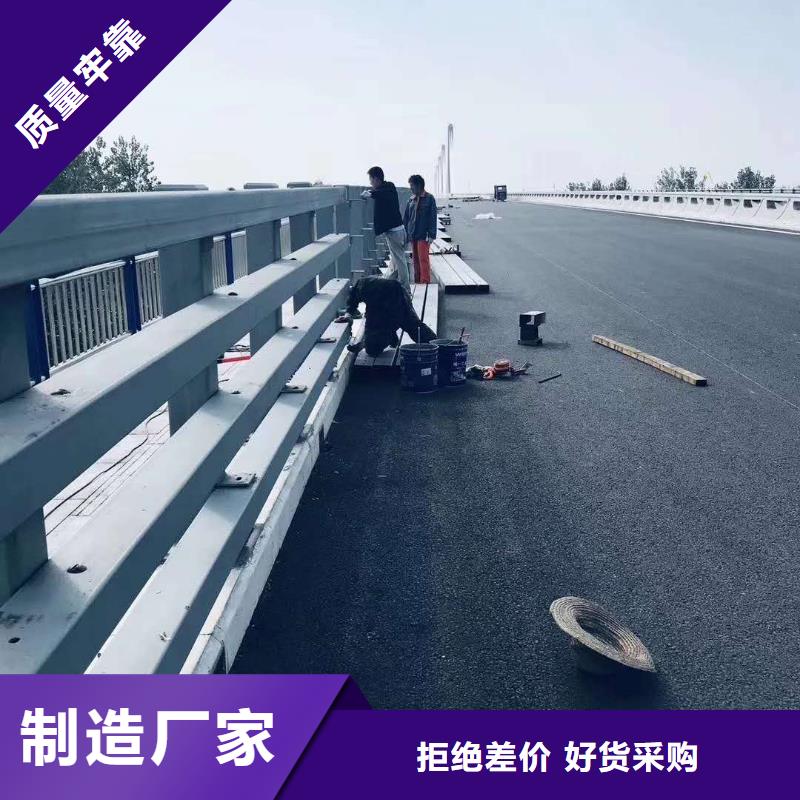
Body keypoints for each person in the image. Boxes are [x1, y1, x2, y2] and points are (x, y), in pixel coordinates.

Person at [336, 276, 435, 357]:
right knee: (412, 325)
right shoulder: (361, 286)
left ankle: (435, 344)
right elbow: (353, 301)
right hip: (389, 295)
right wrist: (348, 314)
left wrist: (349, 313)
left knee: (411, 325)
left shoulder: (361, 287)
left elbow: (352, 301)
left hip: (394, 296)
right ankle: (435, 343)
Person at [361, 166, 410, 292]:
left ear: (376, 179)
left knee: (399, 260)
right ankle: (390, 285)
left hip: (395, 232)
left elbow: (383, 194)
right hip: (396, 231)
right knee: (395, 261)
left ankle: (405, 288)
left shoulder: (388, 188)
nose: (370, 183)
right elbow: (381, 193)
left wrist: (370, 194)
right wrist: (372, 193)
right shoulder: (386, 188)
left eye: (371, 180)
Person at [403, 174, 437, 284]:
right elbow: (406, 217)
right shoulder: (411, 200)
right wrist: (404, 232)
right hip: (413, 234)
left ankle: (425, 283)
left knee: (423, 259)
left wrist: (432, 235)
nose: (411, 188)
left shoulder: (429, 199)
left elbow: (433, 217)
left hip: (424, 234)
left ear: (419, 185)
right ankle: (418, 283)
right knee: (415, 260)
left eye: (412, 186)